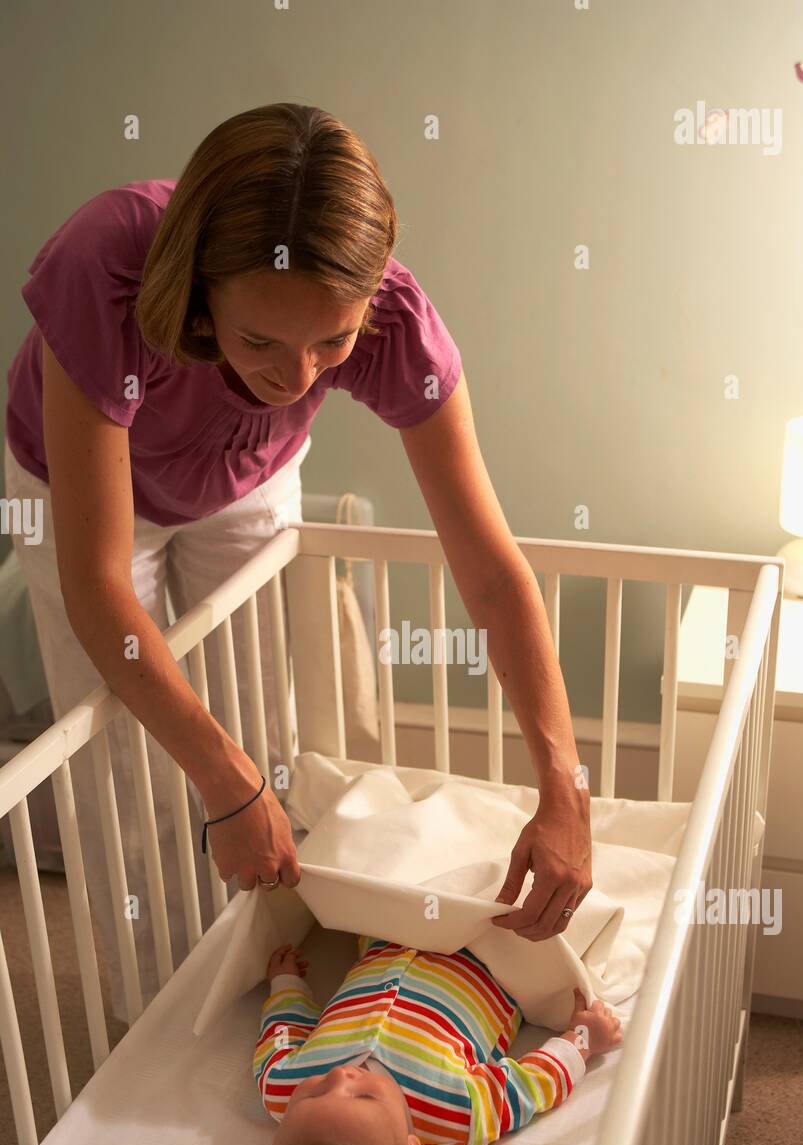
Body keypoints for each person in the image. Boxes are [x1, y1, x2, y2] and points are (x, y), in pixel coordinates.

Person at [4, 102, 592, 1022]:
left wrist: (565, 784)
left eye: (335, 341)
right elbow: (98, 587)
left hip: (244, 473)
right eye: (261, 341)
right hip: (83, 485)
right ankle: (146, 1026)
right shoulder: (106, 264)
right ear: (200, 293)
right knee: (129, 755)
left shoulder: (400, 327)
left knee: (253, 722)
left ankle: (259, 967)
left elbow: (491, 571)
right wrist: (221, 784)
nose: (301, 375)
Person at [255, 939, 622, 1145]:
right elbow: (526, 1087)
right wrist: (582, 1041)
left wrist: (286, 985)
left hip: (392, 933)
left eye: (315, 1094)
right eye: (363, 1097)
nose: (340, 1075)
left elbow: (282, 1033)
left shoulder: (282, 1087)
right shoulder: (455, 1111)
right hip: (494, 958)